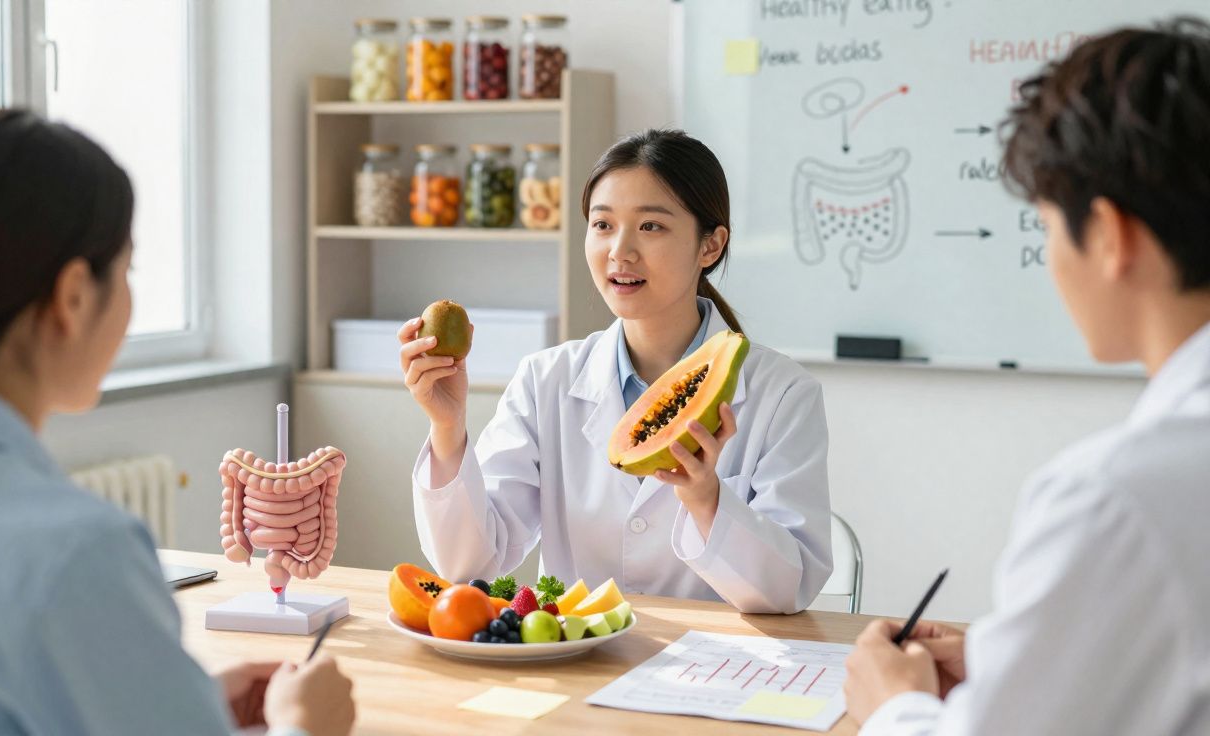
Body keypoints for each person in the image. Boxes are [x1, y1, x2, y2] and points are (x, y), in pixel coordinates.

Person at [0, 109, 354, 736]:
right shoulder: (77, 551)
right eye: (129, 269)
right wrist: (305, 729)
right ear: (74, 297)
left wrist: (174, 707)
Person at [844, 18, 1210, 735]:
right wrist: (1012, 659)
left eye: (1045, 227)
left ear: (1108, 236)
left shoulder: (1116, 498)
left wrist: (894, 708)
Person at [399, 129, 832, 613]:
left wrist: (708, 499)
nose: (619, 251)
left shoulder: (783, 395)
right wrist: (447, 426)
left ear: (710, 246)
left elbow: (788, 589)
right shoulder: (547, 380)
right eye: (602, 225)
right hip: (575, 660)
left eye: (651, 227)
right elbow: (470, 565)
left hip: (714, 668)